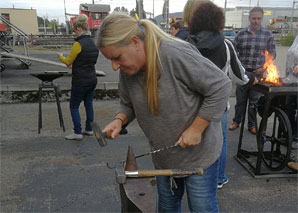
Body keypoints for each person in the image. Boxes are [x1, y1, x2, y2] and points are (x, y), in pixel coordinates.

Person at [96, 12, 232, 212]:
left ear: (135, 42)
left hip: (199, 156)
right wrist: (119, 119)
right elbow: (128, 103)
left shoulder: (174, 54)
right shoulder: (129, 70)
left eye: (117, 58)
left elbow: (220, 86)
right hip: (164, 158)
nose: (115, 66)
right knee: (167, 207)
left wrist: (196, 128)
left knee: (201, 208)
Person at [188, 1, 257, 189]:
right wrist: (253, 79)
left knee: (193, 142)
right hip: (217, 107)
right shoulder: (226, 45)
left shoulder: (186, 44)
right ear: (219, 22)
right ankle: (217, 178)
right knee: (220, 142)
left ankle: (190, 177)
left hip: (190, 107)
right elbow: (239, 76)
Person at [229, 7, 276, 135]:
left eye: (258, 18)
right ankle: (236, 121)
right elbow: (233, 53)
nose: (256, 21)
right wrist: (238, 68)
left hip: (258, 74)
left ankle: (252, 124)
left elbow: (272, 54)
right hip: (243, 74)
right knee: (240, 100)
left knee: (254, 102)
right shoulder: (241, 34)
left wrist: (264, 68)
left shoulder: (268, 35)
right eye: (254, 18)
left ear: (262, 19)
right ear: (249, 18)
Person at [58, 14, 99, 141]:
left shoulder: (78, 44)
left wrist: (60, 56)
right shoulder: (93, 43)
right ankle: (89, 129)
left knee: (74, 106)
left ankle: (77, 132)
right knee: (89, 104)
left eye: (74, 30)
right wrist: (76, 65)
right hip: (92, 79)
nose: (74, 33)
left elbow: (68, 61)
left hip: (80, 81)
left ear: (80, 29)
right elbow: (89, 61)